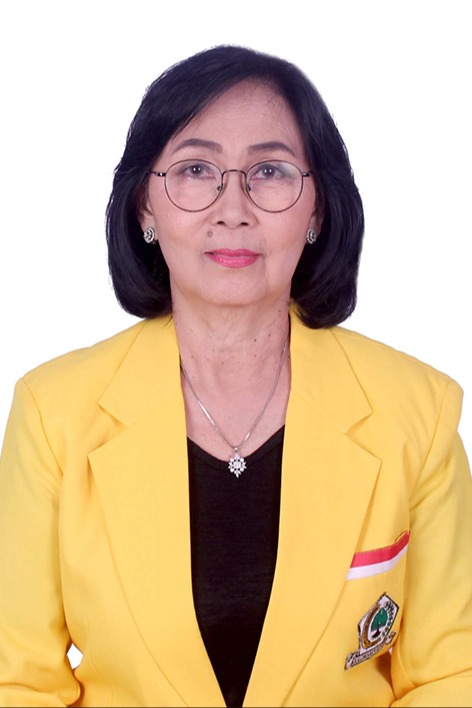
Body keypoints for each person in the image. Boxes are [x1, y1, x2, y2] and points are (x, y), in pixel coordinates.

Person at [0, 44, 471, 708]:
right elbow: (17, 681)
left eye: (269, 171)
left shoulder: (417, 412)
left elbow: (450, 677)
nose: (233, 209)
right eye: (196, 170)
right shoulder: (53, 414)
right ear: (144, 207)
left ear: (317, 209)